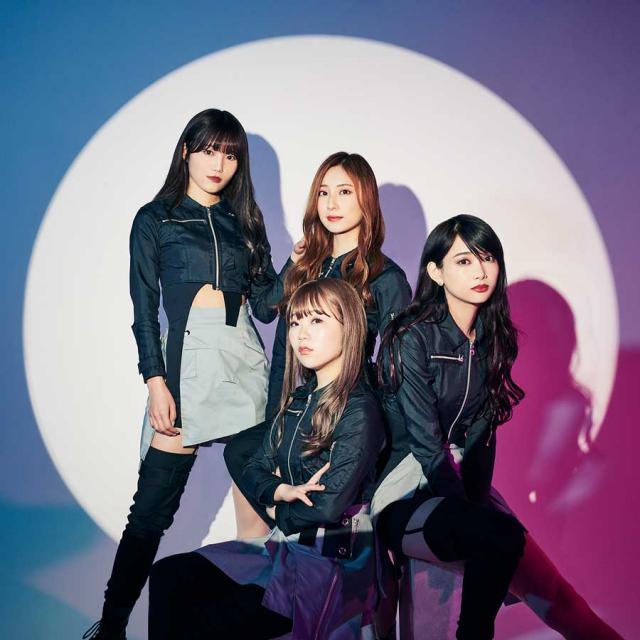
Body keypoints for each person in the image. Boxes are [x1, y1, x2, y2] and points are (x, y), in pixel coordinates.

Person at [83, 108, 285, 640]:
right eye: (209, 150)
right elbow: (144, 311)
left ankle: (254, 627)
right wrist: (156, 382)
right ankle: (112, 627)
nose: (219, 163)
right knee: (150, 514)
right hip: (185, 368)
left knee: (257, 518)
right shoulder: (155, 219)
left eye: (230, 154)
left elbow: (266, 308)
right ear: (186, 152)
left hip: (243, 366)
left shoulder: (245, 222)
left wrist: (297, 265)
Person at [372, 214, 622, 639]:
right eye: (464, 261)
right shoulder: (411, 336)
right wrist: (469, 512)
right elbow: (425, 443)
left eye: (487, 259)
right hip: (407, 490)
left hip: (466, 494)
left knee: (558, 598)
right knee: (497, 537)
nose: (480, 271)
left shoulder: (491, 339)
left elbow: (482, 439)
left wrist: (475, 503)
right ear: (436, 271)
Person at [148, 278, 385, 639]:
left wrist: (275, 510)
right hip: (283, 549)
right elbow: (254, 465)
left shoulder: (359, 410)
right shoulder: (300, 400)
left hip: (329, 561)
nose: (302, 333)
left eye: (317, 320)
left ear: (348, 327)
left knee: (213, 617)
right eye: (295, 322)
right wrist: (279, 491)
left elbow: (326, 508)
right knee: (168, 575)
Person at [224, 151, 412, 538]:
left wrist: (383, 442)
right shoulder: (309, 262)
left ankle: (285, 541)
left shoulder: (385, 277)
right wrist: (293, 262)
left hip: (343, 412)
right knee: (244, 455)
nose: (331, 204)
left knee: (313, 506)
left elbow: (398, 367)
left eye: (344, 192)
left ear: (366, 198)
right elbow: (267, 313)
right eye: (323, 193)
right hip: (295, 404)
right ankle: (260, 553)